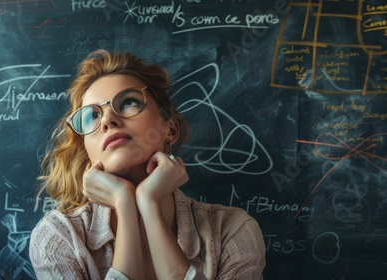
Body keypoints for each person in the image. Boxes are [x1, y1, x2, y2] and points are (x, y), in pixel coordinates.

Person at [29, 49, 266, 280]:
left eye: (128, 102)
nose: (108, 120)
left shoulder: (232, 231)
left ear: (170, 129)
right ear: (86, 149)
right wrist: (124, 202)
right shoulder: (58, 237)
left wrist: (148, 203)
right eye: (91, 116)